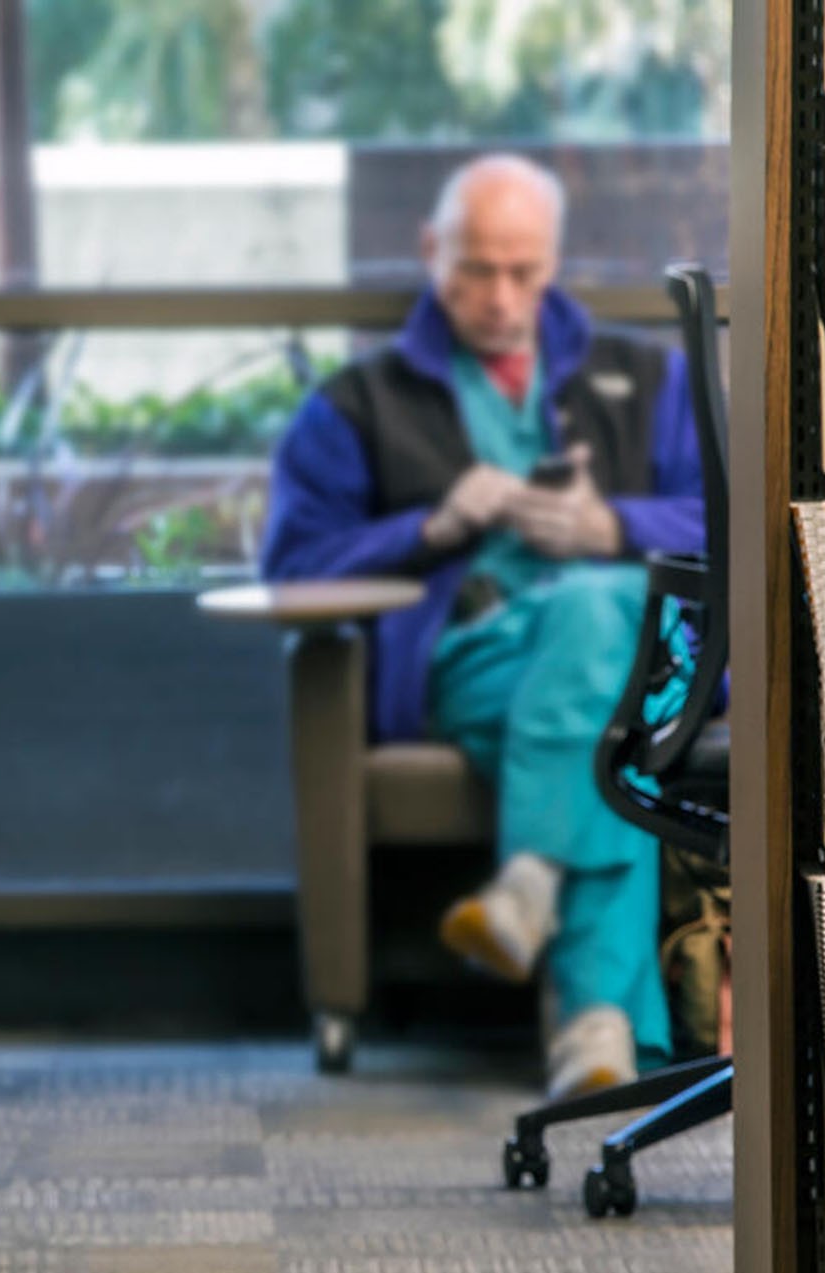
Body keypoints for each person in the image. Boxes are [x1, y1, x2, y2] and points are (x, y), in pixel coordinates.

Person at [261, 153, 705, 1100]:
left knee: (596, 614)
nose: (499, 296)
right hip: (471, 662)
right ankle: (593, 1011)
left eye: (521, 271)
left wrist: (610, 527)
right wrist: (434, 527)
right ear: (430, 252)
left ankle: (537, 900)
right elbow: (293, 567)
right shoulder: (356, 405)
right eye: (473, 269)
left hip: (637, 665)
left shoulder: (647, 377)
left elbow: (737, 520)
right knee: (605, 658)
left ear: (553, 264)